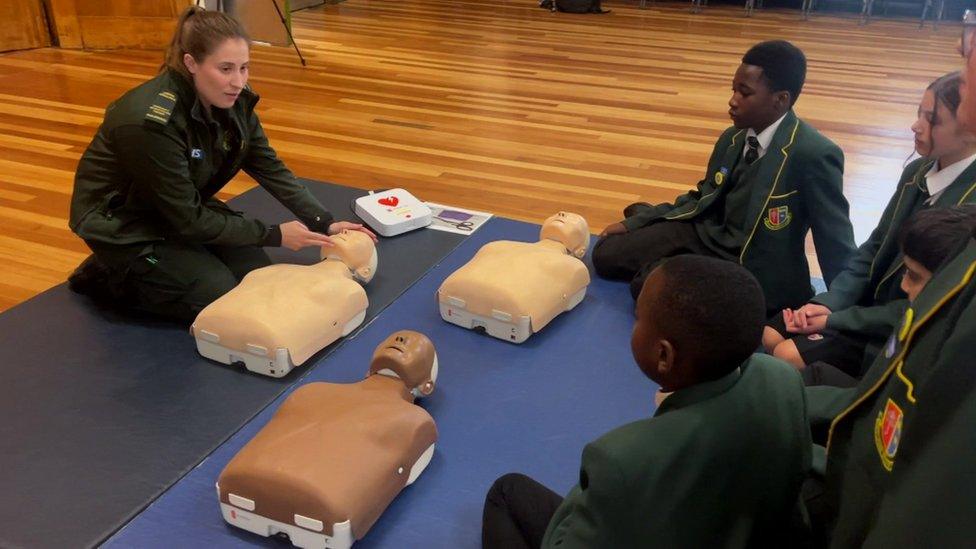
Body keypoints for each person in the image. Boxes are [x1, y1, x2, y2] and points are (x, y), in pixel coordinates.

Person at [67, 6, 375, 321]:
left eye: (244, 67)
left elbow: (268, 165)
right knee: (218, 295)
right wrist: (272, 234)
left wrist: (324, 221)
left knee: (254, 275)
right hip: (122, 221)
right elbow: (189, 220)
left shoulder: (233, 100)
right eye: (225, 68)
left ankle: (170, 262)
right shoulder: (150, 122)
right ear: (191, 63)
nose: (238, 81)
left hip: (176, 204)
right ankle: (109, 273)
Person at [482, 255, 810, 548]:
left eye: (639, 318)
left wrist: (590, 490)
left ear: (664, 355)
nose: (635, 325)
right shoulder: (781, 379)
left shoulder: (622, 459)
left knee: (506, 493)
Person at [592, 40, 856, 314]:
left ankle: (668, 263)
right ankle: (657, 234)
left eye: (745, 93)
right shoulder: (732, 138)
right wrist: (639, 221)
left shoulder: (814, 154)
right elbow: (702, 196)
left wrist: (838, 308)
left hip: (749, 264)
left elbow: (835, 241)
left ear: (780, 99)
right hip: (707, 234)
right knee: (606, 254)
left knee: (649, 290)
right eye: (734, 90)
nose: (732, 101)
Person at [764, 72, 976, 378]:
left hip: (898, 331)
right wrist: (830, 302)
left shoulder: (966, 213)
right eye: (919, 113)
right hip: (864, 308)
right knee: (771, 334)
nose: (916, 126)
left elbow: (922, 308)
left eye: (933, 120)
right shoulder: (917, 170)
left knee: (785, 355)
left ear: (970, 130)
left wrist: (835, 320)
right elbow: (875, 245)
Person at [803, 205, 976, 547]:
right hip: (866, 420)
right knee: (801, 375)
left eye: (913, 276)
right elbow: (871, 399)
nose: (904, 285)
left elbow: (879, 459)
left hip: (863, 486)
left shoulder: (948, 352)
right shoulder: (929, 317)